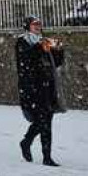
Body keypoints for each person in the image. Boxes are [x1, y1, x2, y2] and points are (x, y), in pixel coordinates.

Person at [15, 15, 65, 167]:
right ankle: (43, 154)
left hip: (47, 86)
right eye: (34, 24)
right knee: (42, 120)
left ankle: (29, 144)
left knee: (45, 120)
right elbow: (25, 62)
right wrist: (39, 47)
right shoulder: (22, 42)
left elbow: (55, 63)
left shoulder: (44, 41)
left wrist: (58, 50)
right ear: (27, 27)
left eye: (39, 24)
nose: (37, 27)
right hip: (32, 87)